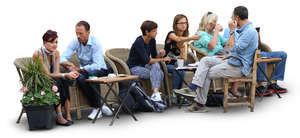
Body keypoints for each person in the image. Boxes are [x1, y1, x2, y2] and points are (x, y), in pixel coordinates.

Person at [183, 6, 258, 112]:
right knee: (205, 60)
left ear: (236, 18)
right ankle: (192, 87)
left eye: (232, 16)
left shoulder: (249, 32)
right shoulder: (244, 30)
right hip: (232, 59)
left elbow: (232, 47)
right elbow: (236, 50)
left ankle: (199, 104)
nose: (231, 18)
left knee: (206, 72)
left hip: (239, 67)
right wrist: (229, 55)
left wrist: (232, 31)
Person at [60, 21, 112, 120]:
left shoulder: (95, 43)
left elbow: (97, 65)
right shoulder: (76, 41)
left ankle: (97, 108)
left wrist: (80, 69)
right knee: (79, 79)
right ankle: (99, 106)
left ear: (88, 32)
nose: (78, 36)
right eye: (76, 33)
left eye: (81, 33)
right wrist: (67, 64)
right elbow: (63, 57)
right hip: (84, 71)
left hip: (100, 69)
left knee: (91, 74)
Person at [32, 30, 78, 126]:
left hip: (52, 79)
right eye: (51, 42)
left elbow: (57, 72)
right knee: (58, 82)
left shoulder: (56, 53)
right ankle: (60, 117)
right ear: (44, 43)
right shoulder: (38, 53)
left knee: (63, 81)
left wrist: (69, 74)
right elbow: (47, 74)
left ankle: (68, 114)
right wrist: (65, 75)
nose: (55, 45)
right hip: (40, 81)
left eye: (56, 42)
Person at [223, 28, 288, 96]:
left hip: (259, 52)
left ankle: (273, 83)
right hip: (249, 55)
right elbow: (228, 45)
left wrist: (258, 36)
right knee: (260, 55)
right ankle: (259, 86)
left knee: (283, 55)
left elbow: (258, 45)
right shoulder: (229, 30)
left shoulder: (249, 29)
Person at [127, 20, 171, 101]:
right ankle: (155, 94)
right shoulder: (139, 42)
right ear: (147, 32)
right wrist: (163, 59)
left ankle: (155, 94)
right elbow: (148, 60)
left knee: (156, 67)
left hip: (144, 66)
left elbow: (154, 56)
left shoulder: (152, 40)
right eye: (154, 31)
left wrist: (160, 55)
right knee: (160, 73)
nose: (156, 33)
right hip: (134, 68)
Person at [164, 14, 201, 89]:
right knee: (179, 68)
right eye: (181, 23)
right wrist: (191, 38)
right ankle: (177, 93)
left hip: (179, 64)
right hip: (167, 65)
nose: (184, 25)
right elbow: (178, 39)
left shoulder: (186, 37)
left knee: (181, 67)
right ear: (175, 24)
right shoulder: (171, 34)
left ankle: (185, 92)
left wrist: (183, 49)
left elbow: (183, 59)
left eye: (185, 23)